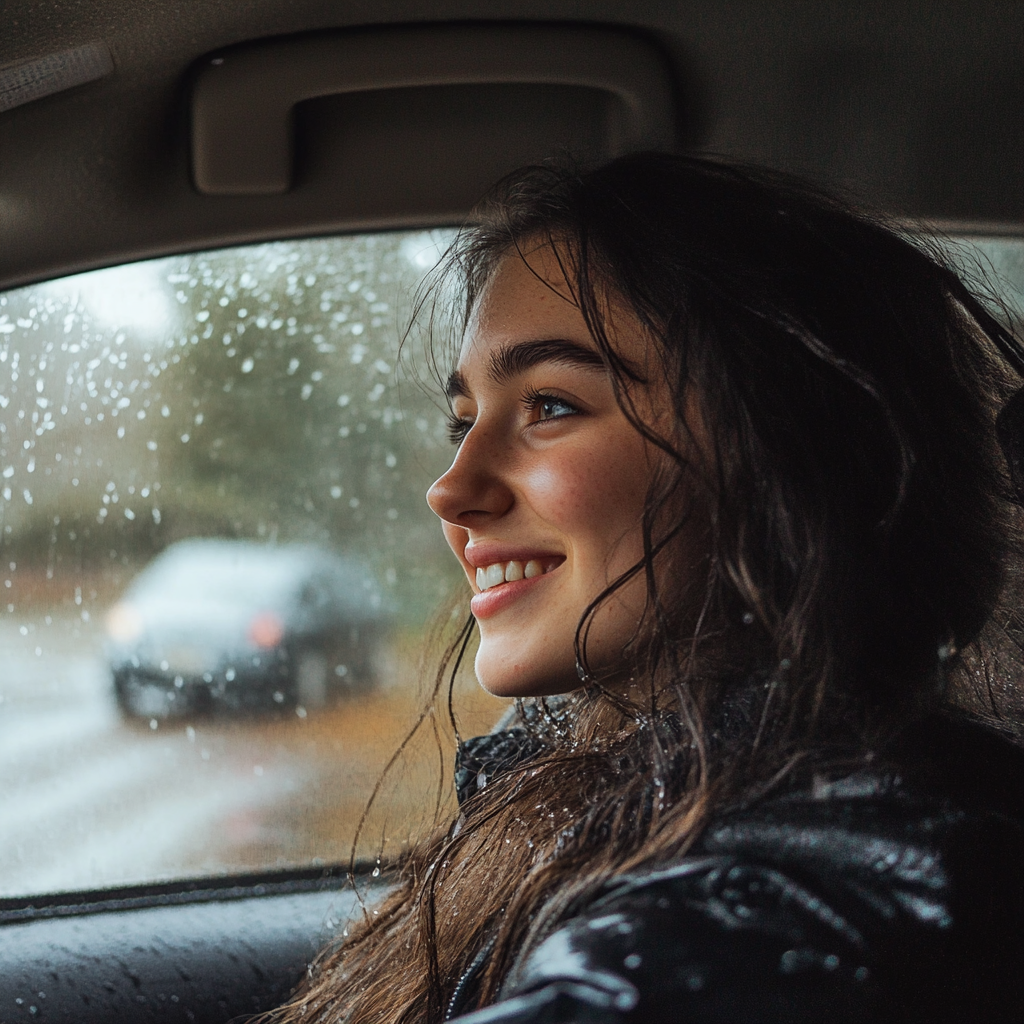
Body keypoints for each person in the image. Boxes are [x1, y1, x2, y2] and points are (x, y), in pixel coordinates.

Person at [268, 154, 1024, 1023]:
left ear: (796, 455)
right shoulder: (617, 796)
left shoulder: (801, 904)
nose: (450, 489)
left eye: (550, 405)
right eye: (463, 422)